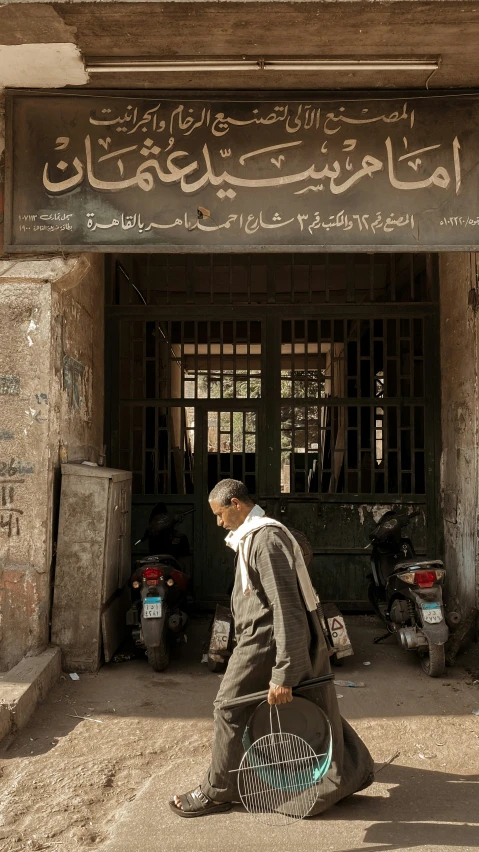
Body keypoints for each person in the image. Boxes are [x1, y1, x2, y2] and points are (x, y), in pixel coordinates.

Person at [169, 479, 374, 818]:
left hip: (266, 642)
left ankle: (217, 791)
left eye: (220, 514)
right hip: (261, 637)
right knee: (313, 699)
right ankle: (353, 768)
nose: (219, 523)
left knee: (228, 707)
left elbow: (287, 608)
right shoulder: (256, 536)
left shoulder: (266, 540)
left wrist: (284, 673)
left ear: (236, 504)